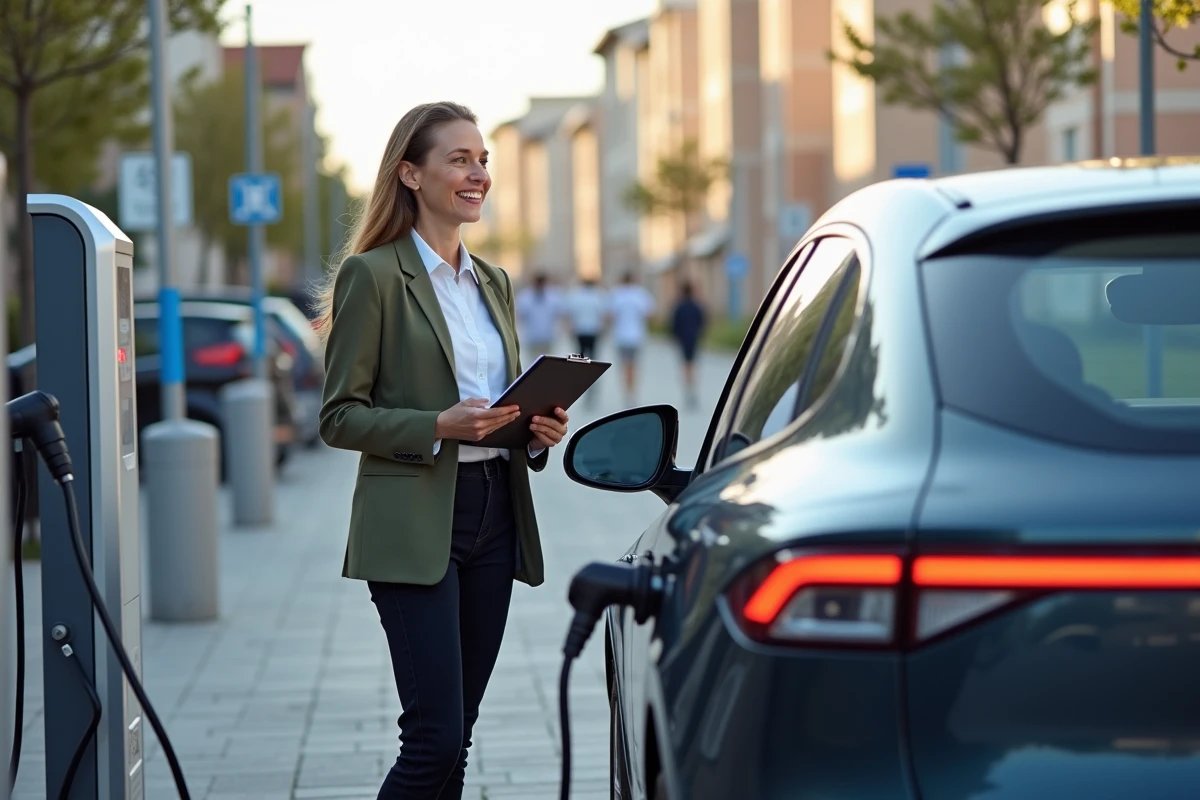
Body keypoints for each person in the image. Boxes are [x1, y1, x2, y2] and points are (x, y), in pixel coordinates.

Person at [314, 101, 570, 800]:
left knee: (458, 734)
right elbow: (339, 418)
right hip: (416, 519)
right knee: (431, 737)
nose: (477, 173)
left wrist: (536, 431)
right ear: (410, 174)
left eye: (483, 160)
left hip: (495, 513)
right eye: (459, 159)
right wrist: (437, 425)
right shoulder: (372, 276)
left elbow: (498, 407)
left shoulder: (494, 282)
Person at [607, 271, 656, 406]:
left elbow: (610, 315)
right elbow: (650, 314)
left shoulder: (616, 294)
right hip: (637, 336)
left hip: (620, 337)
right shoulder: (640, 294)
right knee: (634, 366)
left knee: (624, 366)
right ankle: (632, 393)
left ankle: (627, 393)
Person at [670, 280, 707, 409]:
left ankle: (688, 389)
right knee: (693, 364)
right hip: (694, 338)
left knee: (686, 365)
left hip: (683, 339)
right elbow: (703, 322)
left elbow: (674, 325)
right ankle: (693, 389)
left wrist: (675, 337)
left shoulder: (679, 307)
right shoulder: (697, 306)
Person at [514, 271, 559, 361]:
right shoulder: (525, 296)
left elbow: (559, 313)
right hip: (532, 336)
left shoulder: (552, 296)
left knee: (548, 363)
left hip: (548, 335)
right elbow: (520, 315)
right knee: (534, 363)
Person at [563, 276, 606, 360]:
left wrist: (569, 328)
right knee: (592, 356)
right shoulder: (598, 296)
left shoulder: (576, 296)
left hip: (580, 329)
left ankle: (581, 372)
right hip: (593, 329)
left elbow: (571, 313)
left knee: (580, 356)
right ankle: (592, 372)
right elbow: (602, 313)